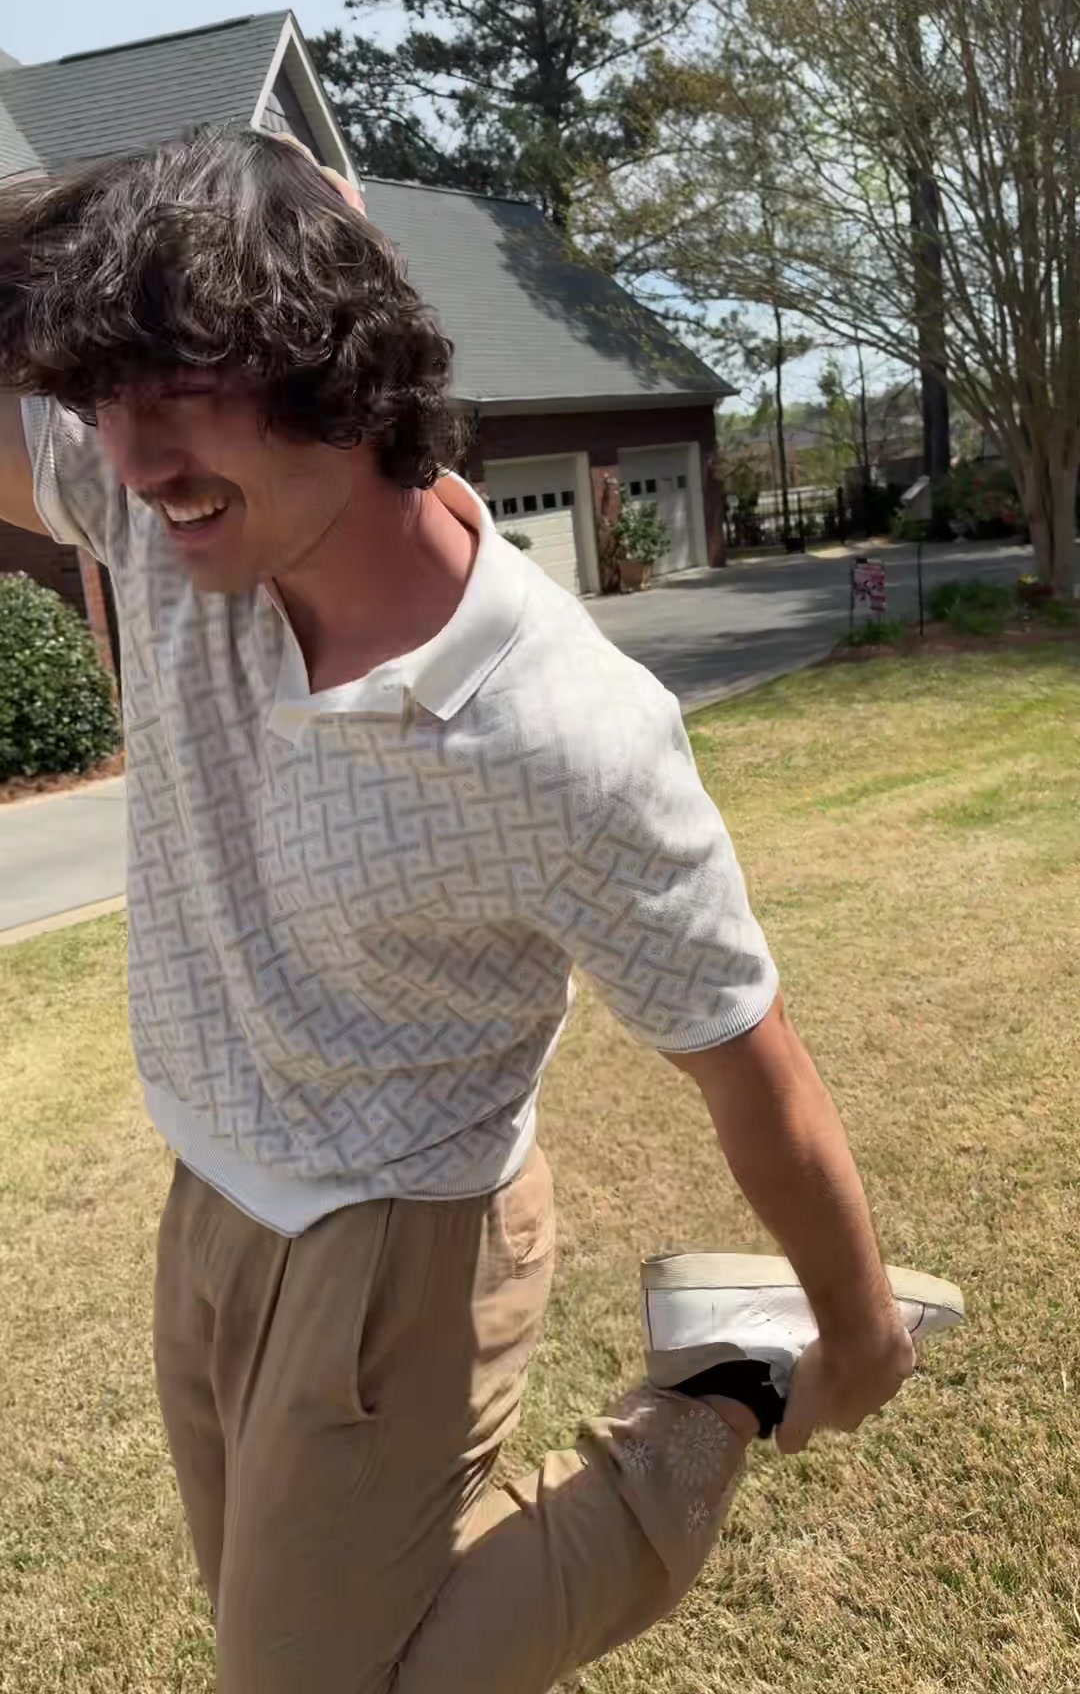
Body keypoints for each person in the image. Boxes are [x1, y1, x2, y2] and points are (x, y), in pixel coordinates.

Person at [0, 128, 962, 1694]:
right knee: (281, 1640)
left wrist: (852, 1329)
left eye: (182, 388)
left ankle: (718, 1395)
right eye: (107, 393)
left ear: (337, 362)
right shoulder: (165, 535)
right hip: (209, 1191)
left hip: (402, 1237)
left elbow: (748, 1059)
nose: (133, 454)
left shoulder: (564, 731)